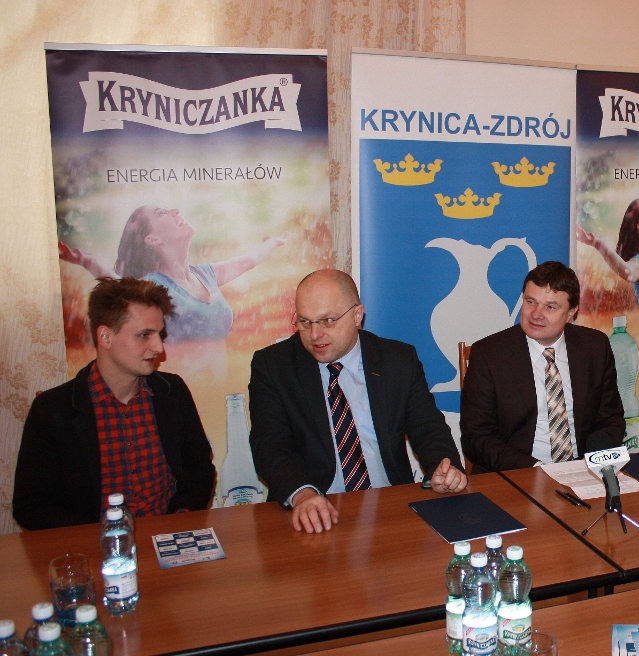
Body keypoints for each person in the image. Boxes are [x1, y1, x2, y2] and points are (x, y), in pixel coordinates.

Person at [248, 269, 467, 533]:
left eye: (327, 321)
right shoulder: (273, 366)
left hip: (390, 506)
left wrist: (445, 468)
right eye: (305, 322)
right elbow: (270, 445)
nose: (314, 334)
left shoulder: (397, 360)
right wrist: (303, 494)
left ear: (357, 316)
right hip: (314, 511)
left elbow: (429, 428)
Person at [13, 278, 216, 530]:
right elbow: (30, 505)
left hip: (168, 537)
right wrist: (98, 538)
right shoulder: (52, 409)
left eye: (160, 335)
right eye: (145, 335)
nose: (158, 347)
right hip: (94, 547)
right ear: (105, 336)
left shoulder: (173, 392)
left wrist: (180, 518)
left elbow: (199, 468)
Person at [461, 261, 625, 472]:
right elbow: (476, 437)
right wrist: (537, 470)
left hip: (583, 471)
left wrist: (593, 460)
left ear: (571, 312)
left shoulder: (595, 346)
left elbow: (611, 418)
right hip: (518, 471)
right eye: (531, 302)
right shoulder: (489, 354)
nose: (536, 314)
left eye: (550, 307)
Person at [58, 205, 288, 342]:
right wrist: (89, 262)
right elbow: (120, 288)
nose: (175, 211)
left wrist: (272, 243)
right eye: (162, 213)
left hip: (219, 391)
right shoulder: (155, 286)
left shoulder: (206, 274)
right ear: (152, 239)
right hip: (184, 389)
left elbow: (247, 262)